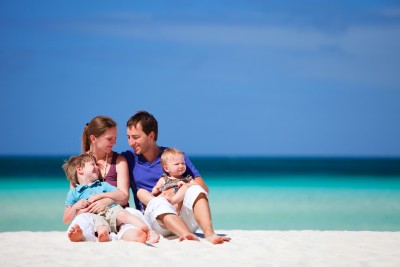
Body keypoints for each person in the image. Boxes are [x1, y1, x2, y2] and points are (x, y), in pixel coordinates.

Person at [122, 111, 230, 244]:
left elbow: (204, 189)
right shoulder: (128, 158)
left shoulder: (175, 157)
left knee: (196, 189)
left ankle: (210, 234)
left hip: (180, 213)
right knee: (157, 201)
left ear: (151, 135)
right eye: (128, 137)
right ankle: (186, 236)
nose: (131, 142)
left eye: (135, 137)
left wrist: (181, 189)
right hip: (156, 222)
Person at [67, 115, 159, 243]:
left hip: (117, 212)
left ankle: (136, 234)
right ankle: (84, 235)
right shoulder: (79, 165)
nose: (114, 142)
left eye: (115, 138)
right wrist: (83, 209)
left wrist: (107, 200)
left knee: (132, 226)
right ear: (93, 138)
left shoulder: (119, 161)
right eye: (109, 139)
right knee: (82, 222)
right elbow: (74, 200)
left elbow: (124, 196)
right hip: (92, 216)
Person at [63, 153, 151, 243]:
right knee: (94, 223)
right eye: (92, 165)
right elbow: (66, 219)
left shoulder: (103, 185)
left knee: (124, 214)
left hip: (110, 211)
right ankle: (95, 235)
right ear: (79, 169)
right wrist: (75, 206)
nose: (97, 167)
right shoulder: (74, 193)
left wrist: (101, 195)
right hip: (94, 217)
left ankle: (146, 229)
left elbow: (122, 194)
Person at [138, 148, 199, 214]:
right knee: (140, 191)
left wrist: (186, 185)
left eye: (183, 163)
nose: (181, 166)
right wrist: (155, 191)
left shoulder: (187, 179)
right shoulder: (164, 178)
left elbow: (197, 187)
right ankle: (153, 204)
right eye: (177, 164)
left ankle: (172, 203)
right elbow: (157, 187)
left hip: (173, 204)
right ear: (166, 168)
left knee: (184, 189)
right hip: (160, 200)